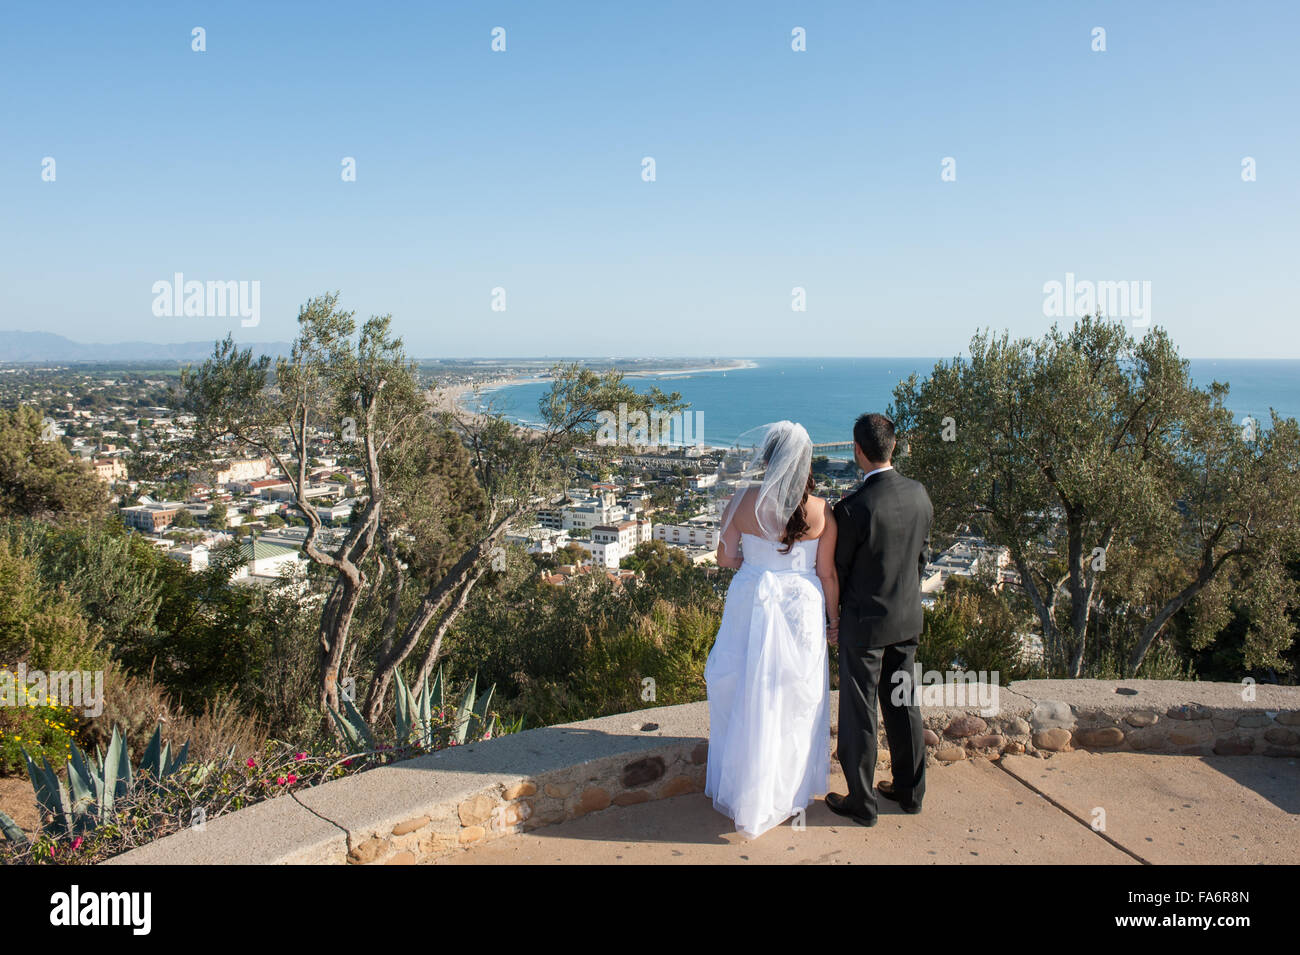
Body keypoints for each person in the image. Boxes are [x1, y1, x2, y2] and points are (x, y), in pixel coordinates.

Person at [704, 421, 838, 838]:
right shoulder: (820, 510)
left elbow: (724, 558)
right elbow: (827, 573)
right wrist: (835, 620)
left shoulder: (742, 500)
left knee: (746, 689)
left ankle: (748, 791)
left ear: (767, 459)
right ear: (805, 463)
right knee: (795, 696)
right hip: (800, 607)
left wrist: (753, 567)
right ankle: (787, 790)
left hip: (752, 600)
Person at [825, 412, 933, 826]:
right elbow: (921, 559)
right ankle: (910, 792)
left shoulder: (852, 509)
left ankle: (862, 801)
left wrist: (834, 620)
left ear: (857, 451)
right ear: (893, 446)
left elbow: (839, 572)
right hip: (906, 619)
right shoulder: (920, 494)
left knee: (860, 711)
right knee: (904, 703)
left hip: (864, 626)